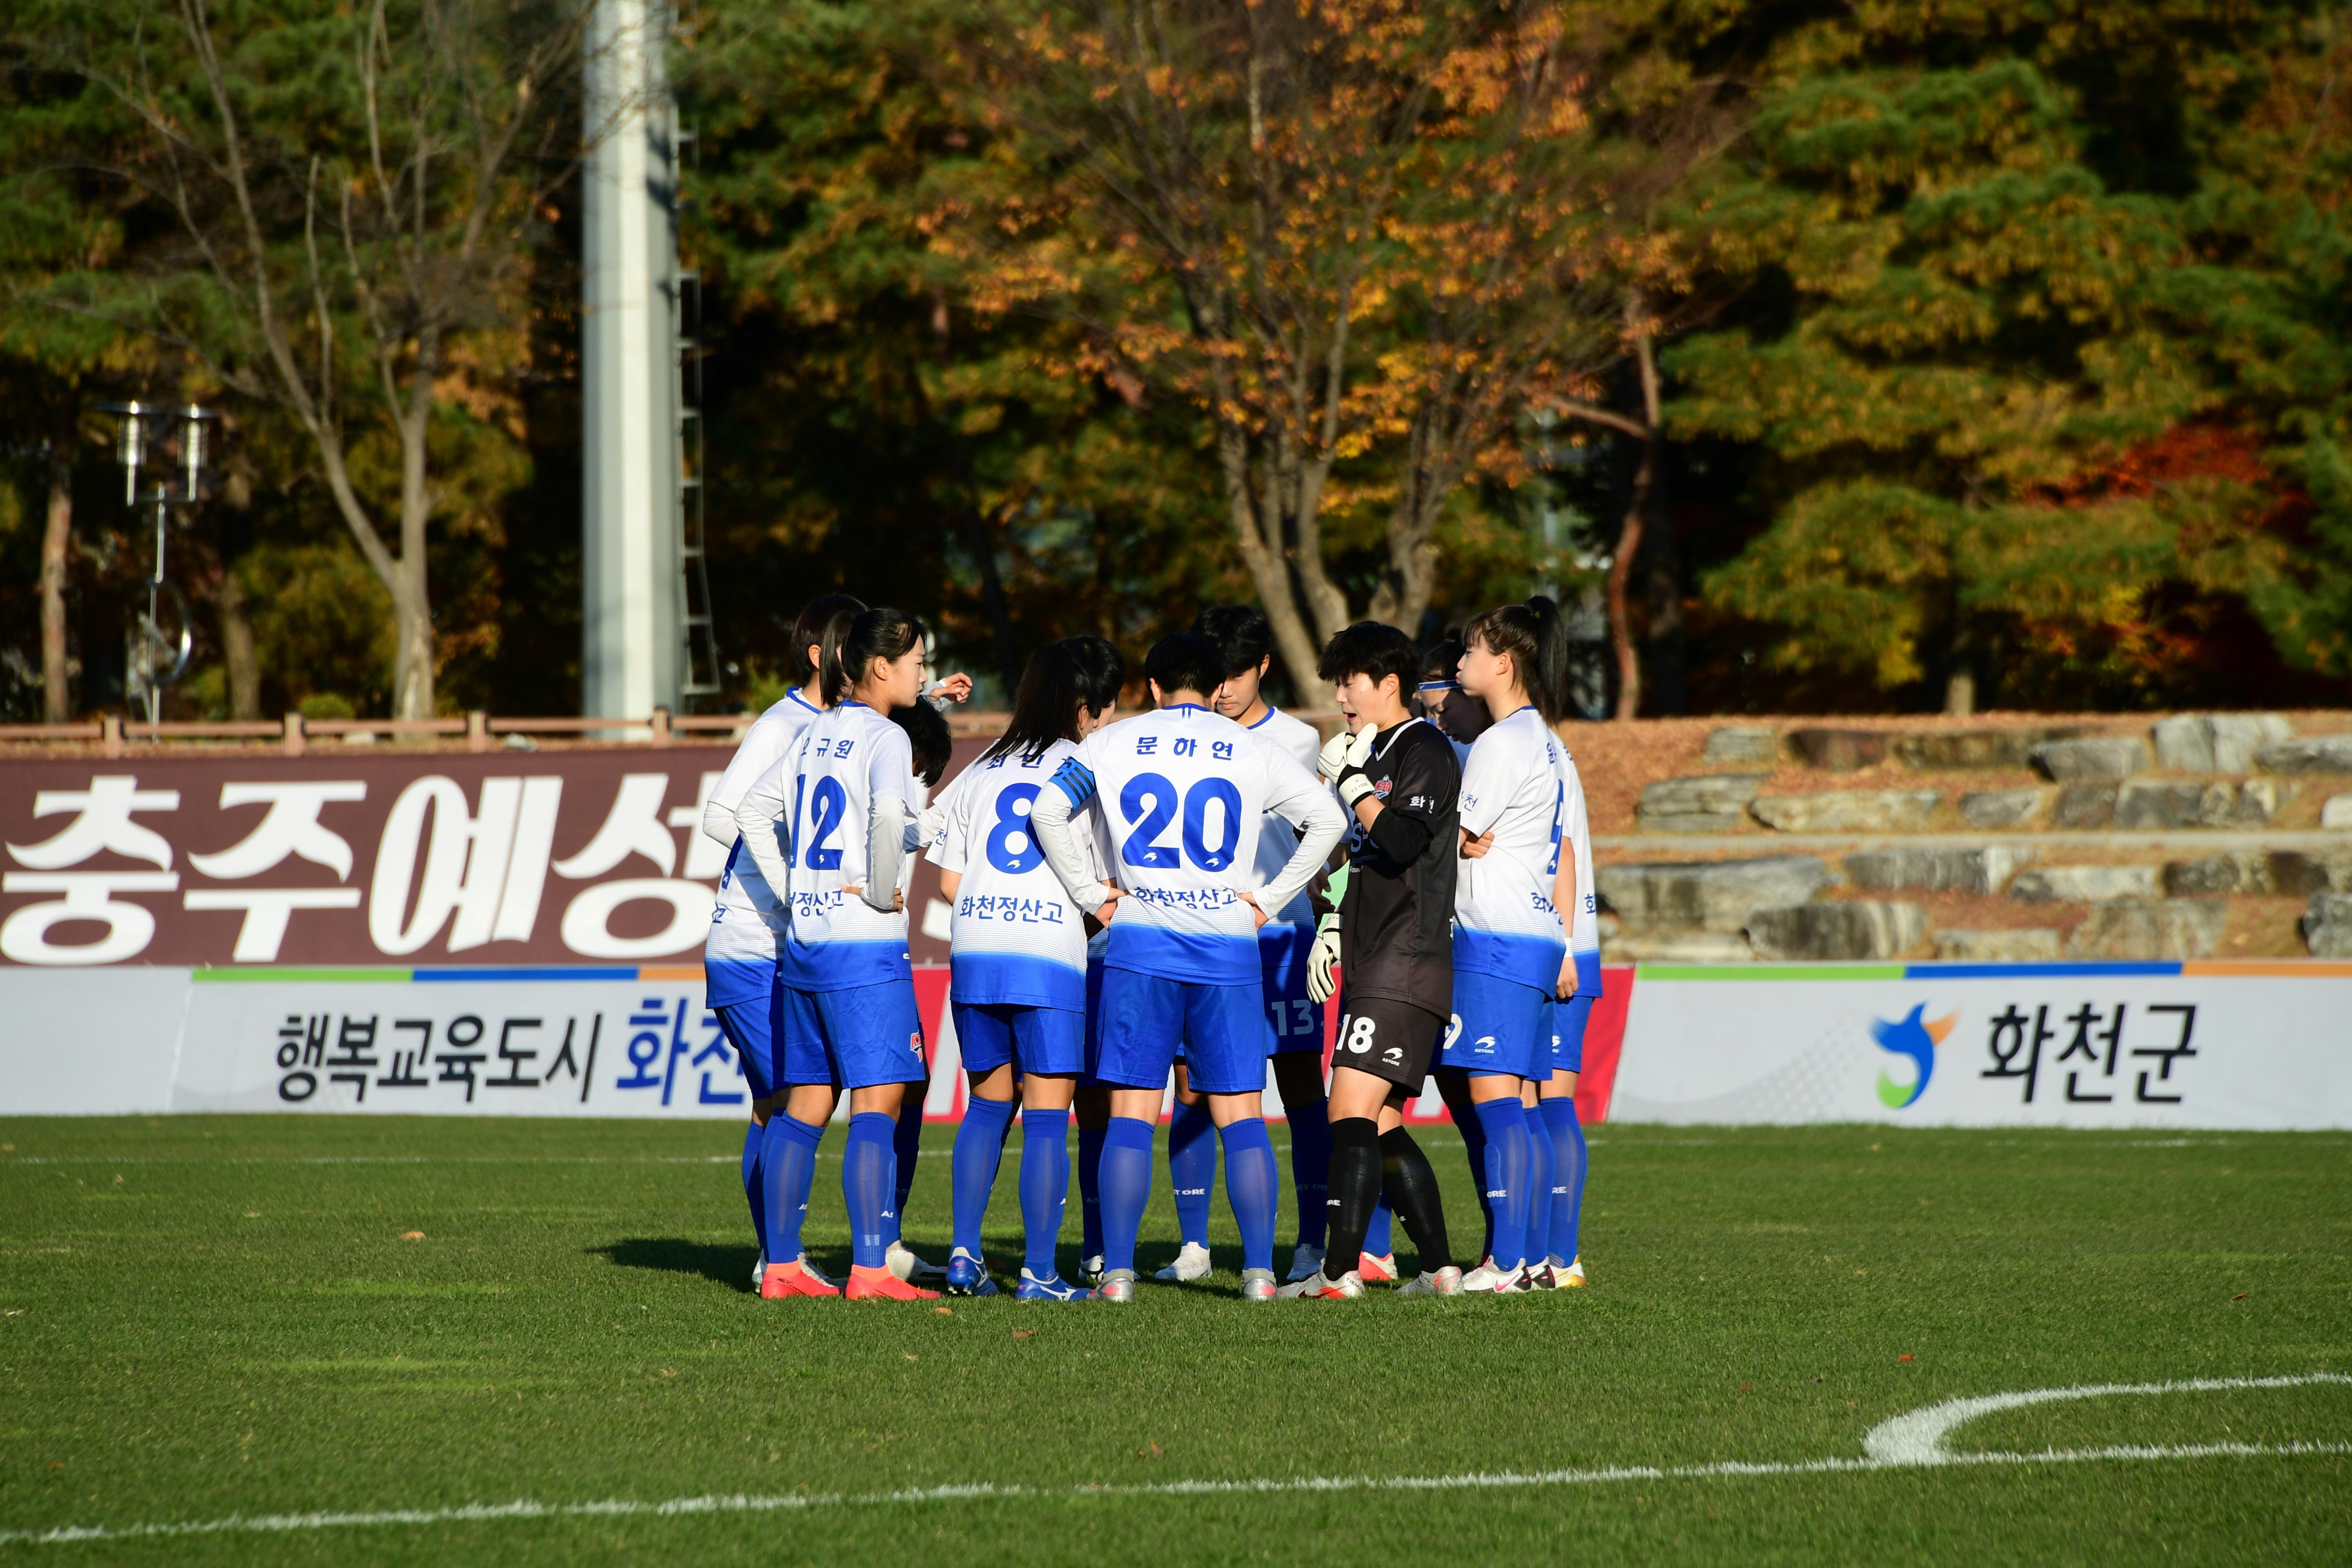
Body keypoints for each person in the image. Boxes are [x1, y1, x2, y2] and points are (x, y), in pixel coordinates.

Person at [1029, 632, 1348, 1302]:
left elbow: (1047, 810)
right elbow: (1326, 821)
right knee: (1242, 1113)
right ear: (1217, 687)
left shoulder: (1111, 744)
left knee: (1132, 1112)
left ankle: (1116, 1276)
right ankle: (1260, 1275)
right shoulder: (1252, 746)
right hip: (1227, 947)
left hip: (1141, 944)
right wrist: (1267, 899)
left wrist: (1092, 895)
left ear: (1151, 687)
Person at [732, 607, 942, 1301]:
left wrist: (796, 888)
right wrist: (884, 893)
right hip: (861, 947)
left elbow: (752, 814)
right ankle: (873, 1270)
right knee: (878, 1106)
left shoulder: (814, 732)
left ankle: (784, 1267)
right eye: (917, 661)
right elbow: (886, 815)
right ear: (881, 666)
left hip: (806, 944)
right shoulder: (884, 736)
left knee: (806, 1106)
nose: (922, 673)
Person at [929, 637, 1124, 1301]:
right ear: (1083, 708)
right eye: (1102, 709)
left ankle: (963, 1254)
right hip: (1047, 952)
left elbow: (949, 884)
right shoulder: (1086, 767)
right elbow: (1102, 877)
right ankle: (1039, 1272)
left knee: (987, 1105)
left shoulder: (980, 766)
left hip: (975, 947)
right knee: (1047, 1113)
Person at [1282, 622, 1464, 1299]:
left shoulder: (1425, 748)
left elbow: (1403, 839)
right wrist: (1330, 924)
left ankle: (1337, 1274)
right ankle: (1442, 1268)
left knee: (1347, 1111)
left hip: (1403, 955)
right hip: (1374, 955)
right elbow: (1358, 861)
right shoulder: (1375, 749)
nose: (1341, 695)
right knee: (1381, 1124)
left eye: (1351, 680)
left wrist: (1356, 783)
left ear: (1390, 684)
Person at [700, 595, 860, 1292]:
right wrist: (794, 890)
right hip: (751, 944)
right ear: (822, 655)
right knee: (797, 1097)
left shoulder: (834, 726)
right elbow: (721, 818)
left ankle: (778, 1255)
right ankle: (778, 1259)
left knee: (777, 1103)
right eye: (858, 645)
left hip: (780, 948)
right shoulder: (784, 724)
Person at [1185, 604, 1336, 1285]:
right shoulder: (1187, 741)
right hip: (1204, 938)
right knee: (1195, 1089)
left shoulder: (1302, 742)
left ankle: (1310, 1241)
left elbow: (1327, 844)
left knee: (1301, 1090)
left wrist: (1323, 922)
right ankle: (1193, 1245)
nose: (1223, 689)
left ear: (1264, 667)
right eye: (1214, 675)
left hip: (1282, 939)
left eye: (1237, 674)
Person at [1435, 596, 1575, 1293]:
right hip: (1536, 936)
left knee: (1497, 1106)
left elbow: (1452, 839)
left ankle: (1510, 1263)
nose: (1460, 662)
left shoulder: (1500, 743)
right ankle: (1541, 1261)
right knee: (1521, 1103)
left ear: (1503, 661)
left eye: (1468, 651)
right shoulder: (1542, 738)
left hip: (1495, 939)